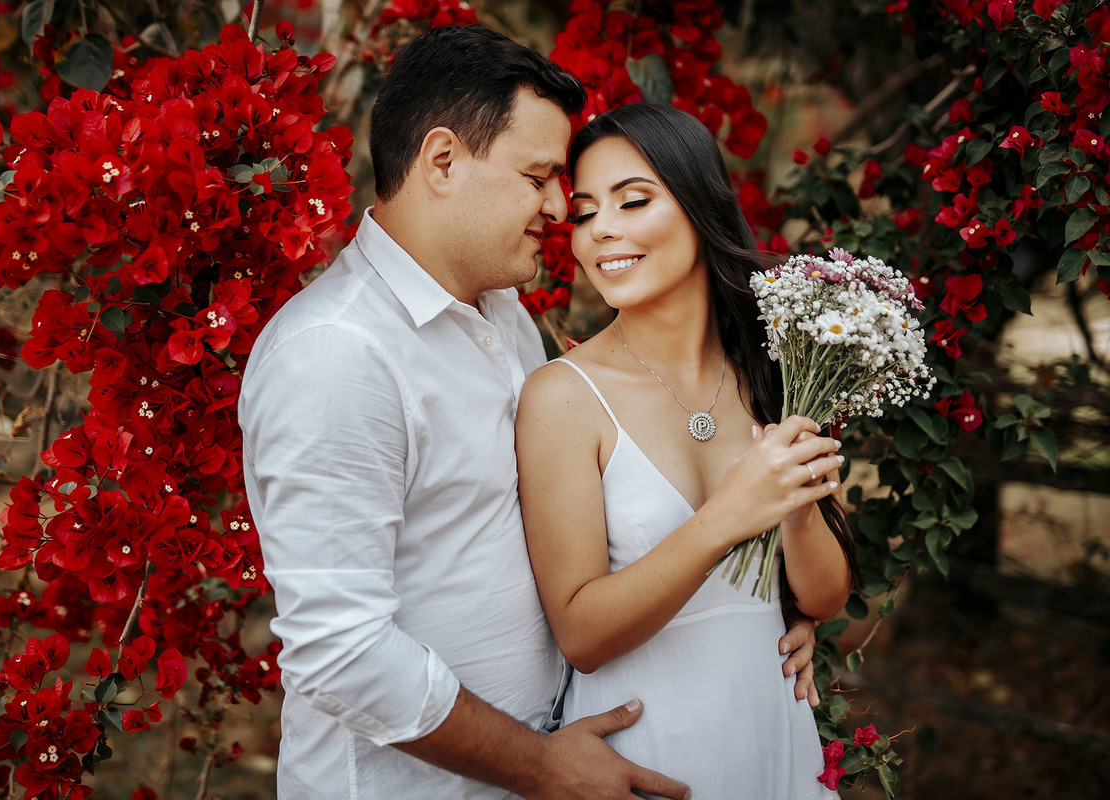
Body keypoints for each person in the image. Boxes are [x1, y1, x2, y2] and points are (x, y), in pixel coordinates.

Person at [239, 27, 818, 800]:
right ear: (442, 161)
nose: (557, 206)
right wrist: (540, 766)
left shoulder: (502, 314)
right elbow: (340, 652)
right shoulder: (336, 355)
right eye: (538, 176)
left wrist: (754, 618)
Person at [516, 102, 860, 800]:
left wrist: (794, 509)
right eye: (584, 213)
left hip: (774, 736)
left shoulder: (777, 370)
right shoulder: (563, 397)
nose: (600, 230)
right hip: (648, 754)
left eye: (632, 201)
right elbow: (580, 634)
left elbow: (825, 598)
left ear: (700, 205)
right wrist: (728, 516)